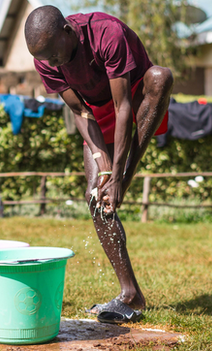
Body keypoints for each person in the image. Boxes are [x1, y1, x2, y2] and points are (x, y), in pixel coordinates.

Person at [25, 5, 173, 324]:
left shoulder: (107, 33)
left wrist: (118, 175)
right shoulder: (45, 58)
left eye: (53, 54)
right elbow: (79, 110)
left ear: (67, 32)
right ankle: (130, 293)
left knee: (161, 76)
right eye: (44, 59)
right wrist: (97, 154)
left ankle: (126, 175)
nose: (50, 63)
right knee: (96, 199)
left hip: (134, 96)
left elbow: (123, 107)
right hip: (96, 109)